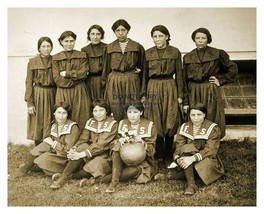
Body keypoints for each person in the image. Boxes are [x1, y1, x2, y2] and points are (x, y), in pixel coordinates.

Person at [154, 102, 225, 195]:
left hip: (207, 159)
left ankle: (172, 177)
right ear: (189, 115)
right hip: (186, 157)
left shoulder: (212, 128)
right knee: (187, 147)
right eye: (193, 115)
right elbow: (179, 146)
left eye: (199, 114)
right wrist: (177, 158)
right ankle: (191, 184)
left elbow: (211, 150)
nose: (196, 118)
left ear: (204, 114)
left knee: (190, 157)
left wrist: (192, 159)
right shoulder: (184, 127)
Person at [49, 99, 118, 189]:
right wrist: (74, 149)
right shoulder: (91, 121)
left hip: (105, 155)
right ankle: (63, 177)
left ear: (106, 111)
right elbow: (83, 138)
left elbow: (101, 145)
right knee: (81, 147)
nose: (98, 113)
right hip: (91, 152)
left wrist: (81, 154)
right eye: (95, 111)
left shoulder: (112, 124)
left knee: (95, 164)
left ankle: (69, 176)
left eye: (101, 110)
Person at [182, 27, 238, 138]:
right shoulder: (188, 56)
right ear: (194, 40)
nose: (200, 40)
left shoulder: (217, 53)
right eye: (197, 38)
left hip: (210, 89)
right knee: (195, 115)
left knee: (212, 113)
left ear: (208, 39)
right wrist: (185, 100)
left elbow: (232, 68)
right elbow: (184, 79)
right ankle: (196, 143)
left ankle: (213, 141)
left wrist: (220, 80)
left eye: (203, 38)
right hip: (193, 89)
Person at [144, 25, 184, 167]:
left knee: (170, 117)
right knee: (155, 118)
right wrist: (144, 94)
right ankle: (158, 154)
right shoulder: (148, 53)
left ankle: (168, 154)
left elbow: (179, 74)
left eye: (160, 36)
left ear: (167, 36)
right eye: (155, 36)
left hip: (169, 86)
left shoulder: (175, 52)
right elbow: (144, 75)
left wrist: (180, 94)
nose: (158, 39)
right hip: (153, 86)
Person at [8, 102, 80, 180]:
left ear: (67, 114)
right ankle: (23, 170)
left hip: (67, 159)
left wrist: (52, 144)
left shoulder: (72, 127)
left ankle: (63, 173)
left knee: (42, 159)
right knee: (44, 146)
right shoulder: (55, 125)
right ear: (54, 113)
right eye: (58, 112)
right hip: (57, 153)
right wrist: (50, 145)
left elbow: (67, 149)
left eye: (64, 113)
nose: (61, 116)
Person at [101, 99, 157, 193]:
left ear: (141, 112)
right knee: (117, 147)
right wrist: (119, 140)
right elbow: (112, 144)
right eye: (129, 112)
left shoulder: (150, 125)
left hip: (141, 161)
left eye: (135, 112)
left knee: (132, 172)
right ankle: (114, 182)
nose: (132, 115)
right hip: (122, 158)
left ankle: (98, 181)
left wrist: (143, 143)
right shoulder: (122, 123)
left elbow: (152, 150)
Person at [102, 19, 147, 122]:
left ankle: (131, 135)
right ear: (114, 32)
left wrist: (142, 89)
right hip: (114, 80)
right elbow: (106, 68)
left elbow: (143, 68)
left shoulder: (137, 47)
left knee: (132, 106)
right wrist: (105, 85)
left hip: (131, 80)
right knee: (115, 107)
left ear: (127, 31)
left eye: (123, 30)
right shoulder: (109, 48)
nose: (121, 33)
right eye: (118, 30)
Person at [52, 30, 92, 131]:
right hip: (63, 91)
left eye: (71, 41)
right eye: (66, 41)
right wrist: (75, 80)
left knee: (81, 114)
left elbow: (84, 74)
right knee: (63, 114)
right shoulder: (56, 58)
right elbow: (57, 79)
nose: (69, 44)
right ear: (61, 42)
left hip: (79, 91)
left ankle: (81, 142)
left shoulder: (82, 55)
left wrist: (67, 74)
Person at [25, 36, 56, 146]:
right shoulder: (33, 62)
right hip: (38, 94)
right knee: (38, 121)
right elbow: (28, 83)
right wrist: (30, 103)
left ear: (52, 47)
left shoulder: (55, 60)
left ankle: (50, 148)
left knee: (52, 119)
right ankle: (37, 149)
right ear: (39, 48)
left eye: (48, 46)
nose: (46, 48)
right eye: (43, 46)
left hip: (53, 93)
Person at [81, 25, 107, 100]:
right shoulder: (84, 50)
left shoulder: (107, 48)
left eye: (98, 34)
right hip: (90, 81)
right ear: (89, 35)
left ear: (101, 35)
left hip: (104, 79)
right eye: (93, 34)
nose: (95, 37)